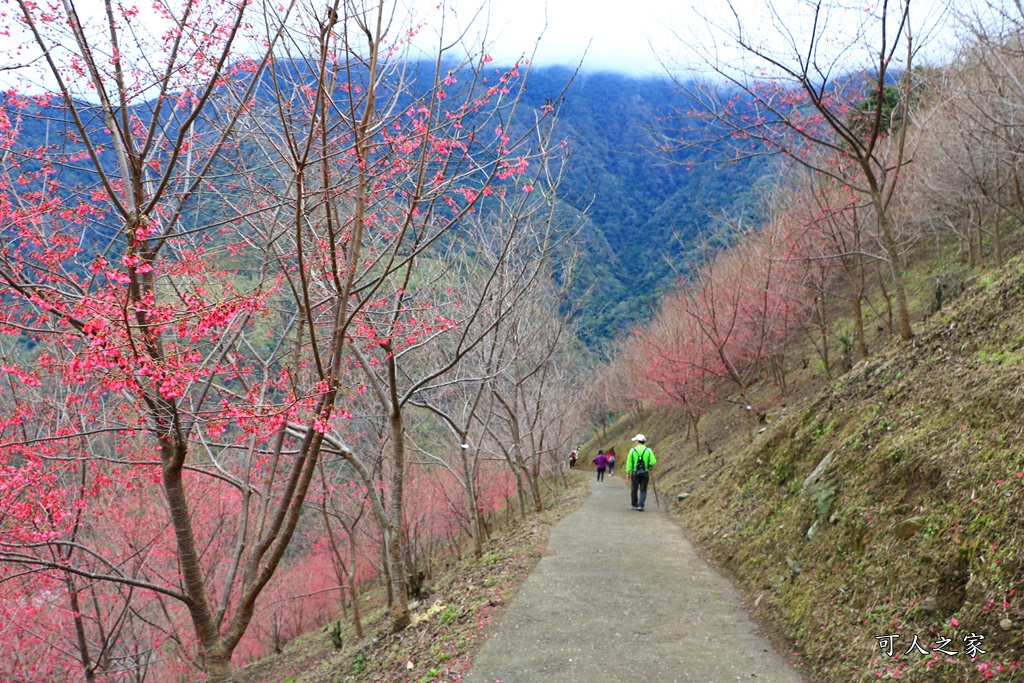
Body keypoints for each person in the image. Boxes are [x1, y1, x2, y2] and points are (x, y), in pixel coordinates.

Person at [625, 434, 656, 511]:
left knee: (634, 488)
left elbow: (629, 463)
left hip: (635, 473)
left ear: (638, 441)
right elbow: (653, 462)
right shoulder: (648, 450)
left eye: (636, 440)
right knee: (643, 489)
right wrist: (649, 465)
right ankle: (641, 505)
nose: (635, 442)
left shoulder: (632, 451)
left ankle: (634, 504)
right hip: (645, 473)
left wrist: (628, 472)